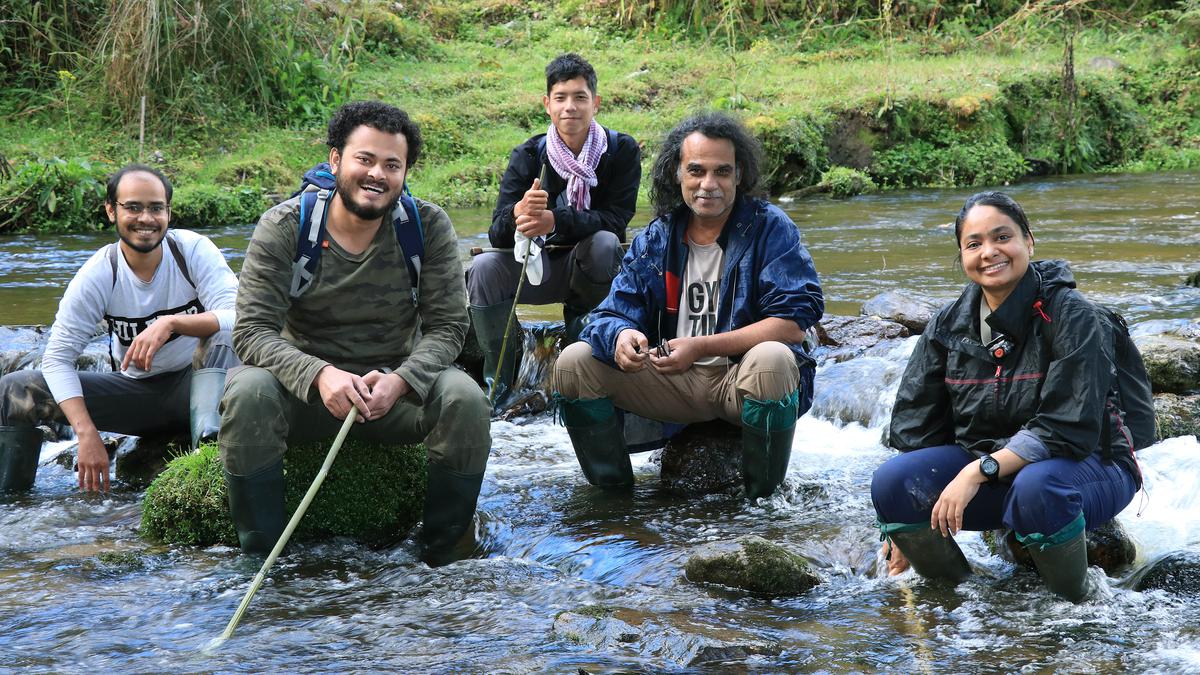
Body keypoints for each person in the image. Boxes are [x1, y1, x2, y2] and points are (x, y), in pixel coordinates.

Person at [219, 101, 490, 565]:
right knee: (246, 390)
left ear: (405, 172)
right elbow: (252, 332)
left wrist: (402, 380)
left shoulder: (427, 227)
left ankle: (443, 558)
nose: (377, 175)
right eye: (364, 159)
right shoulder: (285, 227)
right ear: (335, 160)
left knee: (464, 398)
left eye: (392, 165)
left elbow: (448, 326)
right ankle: (260, 557)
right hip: (304, 398)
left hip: (394, 397)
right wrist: (321, 375)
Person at [871, 191, 1144, 602]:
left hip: (1088, 467)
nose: (989, 252)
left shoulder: (1074, 316)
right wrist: (896, 527)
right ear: (962, 255)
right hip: (995, 469)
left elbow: (1065, 428)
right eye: (974, 243)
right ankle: (960, 599)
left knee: (1038, 487)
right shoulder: (948, 324)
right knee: (894, 483)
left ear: (1028, 242)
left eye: (1002, 237)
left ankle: (1077, 605)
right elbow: (915, 427)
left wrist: (976, 471)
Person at [551, 111, 824, 500]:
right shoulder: (656, 238)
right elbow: (610, 314)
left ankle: (762, 499)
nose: (708, 185)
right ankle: (613, 499)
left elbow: (795, 320)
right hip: (670, 381)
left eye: (722, 172)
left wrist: (701, 346)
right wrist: (623, 336)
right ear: (676, 173)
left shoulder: (770, 228)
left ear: (739, 176)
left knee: (774, 358)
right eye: (696, 171)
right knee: (574, 362)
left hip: (740, 380)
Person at [0, 164, 238, 493]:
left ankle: (208, 470)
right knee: (15, 391)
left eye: (156, 208)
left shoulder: (192, 251)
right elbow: (57, 358)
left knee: (224, 335)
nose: (146, 218)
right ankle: (14, 507)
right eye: (133, 207)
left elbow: (239, 315)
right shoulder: (100, 273)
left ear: (169, 211)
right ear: (112, 211)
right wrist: (86, 434)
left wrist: (171, 323)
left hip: (200, 388)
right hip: (136, 397)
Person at [469, 53, 641, 402]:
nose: (570, 107)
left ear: (596, 102)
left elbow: (617, 219)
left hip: (593, 270)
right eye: (561, 98)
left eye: (580, 97)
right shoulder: (530, 155)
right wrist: (519, 213)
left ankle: (583, 361)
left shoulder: (620, 150)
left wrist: (555, 220)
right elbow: (497, 234)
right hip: (535, 269)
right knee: (483, 268)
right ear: (547, 104)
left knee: (606, 242)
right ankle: (502, 388)